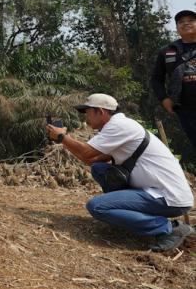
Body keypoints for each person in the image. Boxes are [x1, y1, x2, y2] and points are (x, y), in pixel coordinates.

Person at [46, 93, 194, 252]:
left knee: (97, 207)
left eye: (87, 112)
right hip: (157, 192)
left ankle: (168, 228)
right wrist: (64, 139)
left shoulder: (119, 127)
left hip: (168, 197)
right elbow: (90, 160)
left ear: (101, 112)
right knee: (100, 169)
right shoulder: (118, 126)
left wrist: (62, 137)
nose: (85, 117)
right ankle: (130, 218)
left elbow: (86, 152)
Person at [150, 9, 196, 169]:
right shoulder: (168, 51)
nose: (186, 23)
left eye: (191, 20)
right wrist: (164, 99)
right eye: (181, 22)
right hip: (186, 109)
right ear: (177, 27)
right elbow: (156, 79)